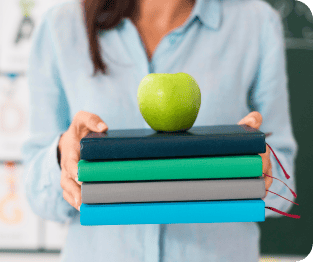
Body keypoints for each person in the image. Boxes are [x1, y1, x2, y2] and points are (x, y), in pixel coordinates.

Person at [22, 0, 298, 261]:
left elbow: (285, 190)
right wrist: (62, 159)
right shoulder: (62, 24)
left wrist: (257, 166)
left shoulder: (255, 22)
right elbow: (38, 194)